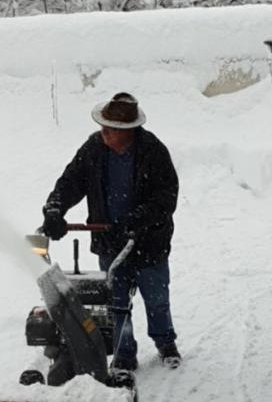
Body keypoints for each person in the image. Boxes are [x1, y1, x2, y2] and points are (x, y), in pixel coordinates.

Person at [42, 91, 180, 370]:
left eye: (111, 129)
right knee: (116, 303)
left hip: (148, 242)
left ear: (128, 131)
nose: (103, 132)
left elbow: (166, 198)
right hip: (110, 242)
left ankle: (165, 343)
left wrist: (135, 221)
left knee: (156, 299)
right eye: (103, 126)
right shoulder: (94, 149)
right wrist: (55, 209)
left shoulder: (152, 152)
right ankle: (124, 353)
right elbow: (71, 181)